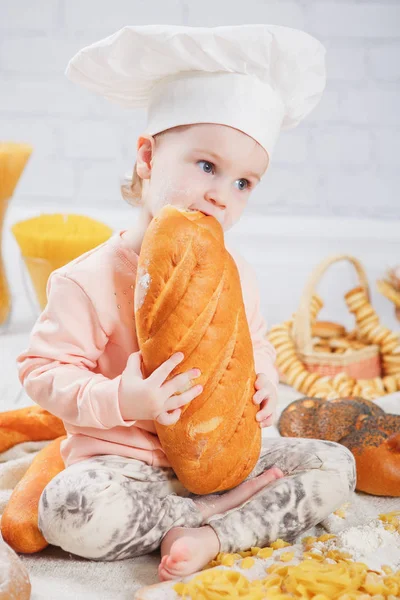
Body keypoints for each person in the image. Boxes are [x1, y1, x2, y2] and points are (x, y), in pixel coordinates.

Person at [17, 24, 356, 582]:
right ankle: (206, 519)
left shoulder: (236, 273)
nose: (223, 194)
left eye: (245, 182)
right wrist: (121, 398)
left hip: (223, 460)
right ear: (148, 156)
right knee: (67, 508)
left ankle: (212, 530)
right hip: (123, 469)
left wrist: (264, 384)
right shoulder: (88, 279)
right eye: (207, 166)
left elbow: (257, 342)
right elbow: (40, 371)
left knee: (333, 465)